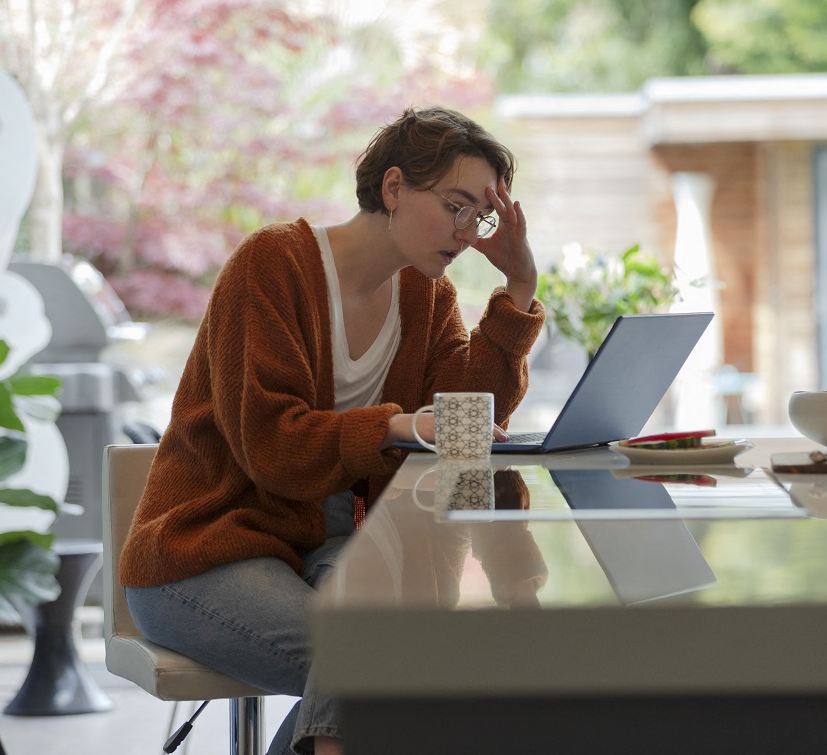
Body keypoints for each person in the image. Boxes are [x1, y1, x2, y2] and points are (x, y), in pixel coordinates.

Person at [120, 106, 545, 755]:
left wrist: (519, 285)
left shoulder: (428, 299)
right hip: (205, 550)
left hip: (332, 546)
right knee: (371, 661)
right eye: (457, 206)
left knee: (400, 660)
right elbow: (273, 448)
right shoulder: (272, 265)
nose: (468, 233)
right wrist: (400, 424)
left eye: (480, 217)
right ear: (394, 188)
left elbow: (466, 425)